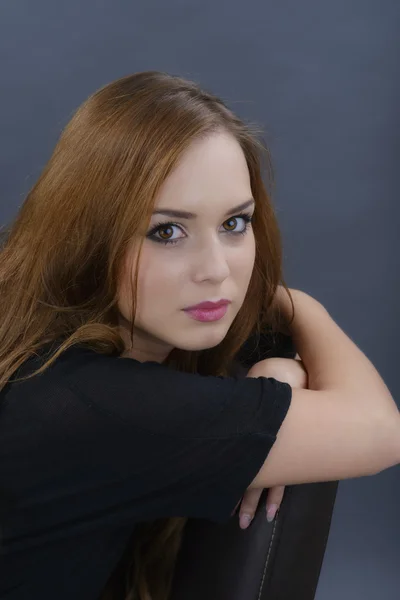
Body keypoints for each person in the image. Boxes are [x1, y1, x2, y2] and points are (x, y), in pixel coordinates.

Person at [0, 71, 399, 600]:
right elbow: (380, 431)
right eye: (166, 231)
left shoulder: (47, 344)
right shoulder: (91, 403)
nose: (215, 270)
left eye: (235, 224)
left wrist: (281, 367)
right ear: (91, 236)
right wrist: (304, 308)